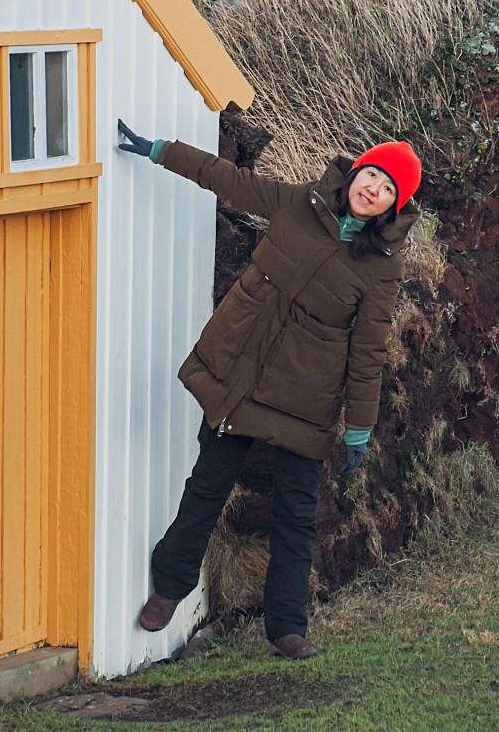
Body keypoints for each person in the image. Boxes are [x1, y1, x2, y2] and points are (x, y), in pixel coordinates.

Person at [115, 119, 422, 660]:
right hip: (245, 372)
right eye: (373, 174)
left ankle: (286, 627)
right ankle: (169, 587)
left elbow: (369, 348)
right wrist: (159, 150)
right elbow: (225, 179)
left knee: (297, 514)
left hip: (309, 394)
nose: (374, 189)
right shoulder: (297, 203)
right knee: (207, 485)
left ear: (394, 207)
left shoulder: (382, 266)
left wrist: (359, 427)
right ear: (356, 171)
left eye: (389, 189)